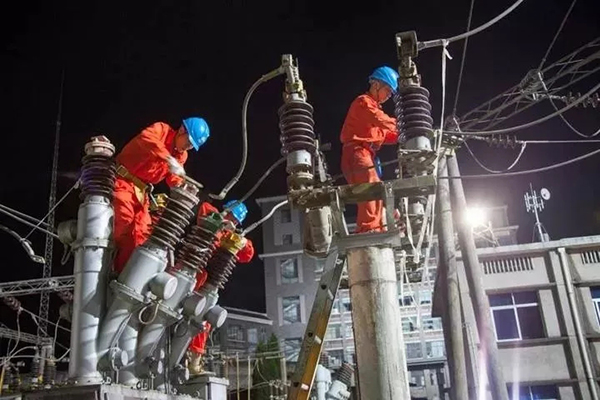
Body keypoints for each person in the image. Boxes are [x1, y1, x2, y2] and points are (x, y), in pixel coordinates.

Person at [113, 118, 210, 273]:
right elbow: (147, 139)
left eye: (192, 146)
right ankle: (105, 266)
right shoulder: (161, 130)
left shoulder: (181, 156)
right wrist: (168, 158)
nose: (189, 147)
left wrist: (184, 186)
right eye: (189, 141)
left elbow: (173, 179)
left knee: (142, 235)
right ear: (182, 130)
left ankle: (121, 275)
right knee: (123, 224)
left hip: (141, 193)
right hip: (123, 182)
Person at [188, 200, 254, 374]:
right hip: (192, 271)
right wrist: (221, 220)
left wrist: (242, 241)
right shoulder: (211, 213)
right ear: (227, 211)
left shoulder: (229, 236)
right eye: (232, 217)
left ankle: (194, 362)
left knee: (203, 319)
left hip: (207, 280)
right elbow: (205, 211)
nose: (233, 222)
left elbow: (247, 255)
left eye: (236, 221)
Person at [340, 66, 400, 233]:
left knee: (376, 190)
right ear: (376, 85)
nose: (388, 96)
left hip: (363, 154)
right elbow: (382, 121)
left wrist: (404, 135)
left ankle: (378, 226)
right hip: (356, 153)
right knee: (371, 188)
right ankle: (369, 229)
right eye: (388, 90)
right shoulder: (364, 103)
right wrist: (406, 124)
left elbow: (384, 134)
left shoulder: (372, 111)